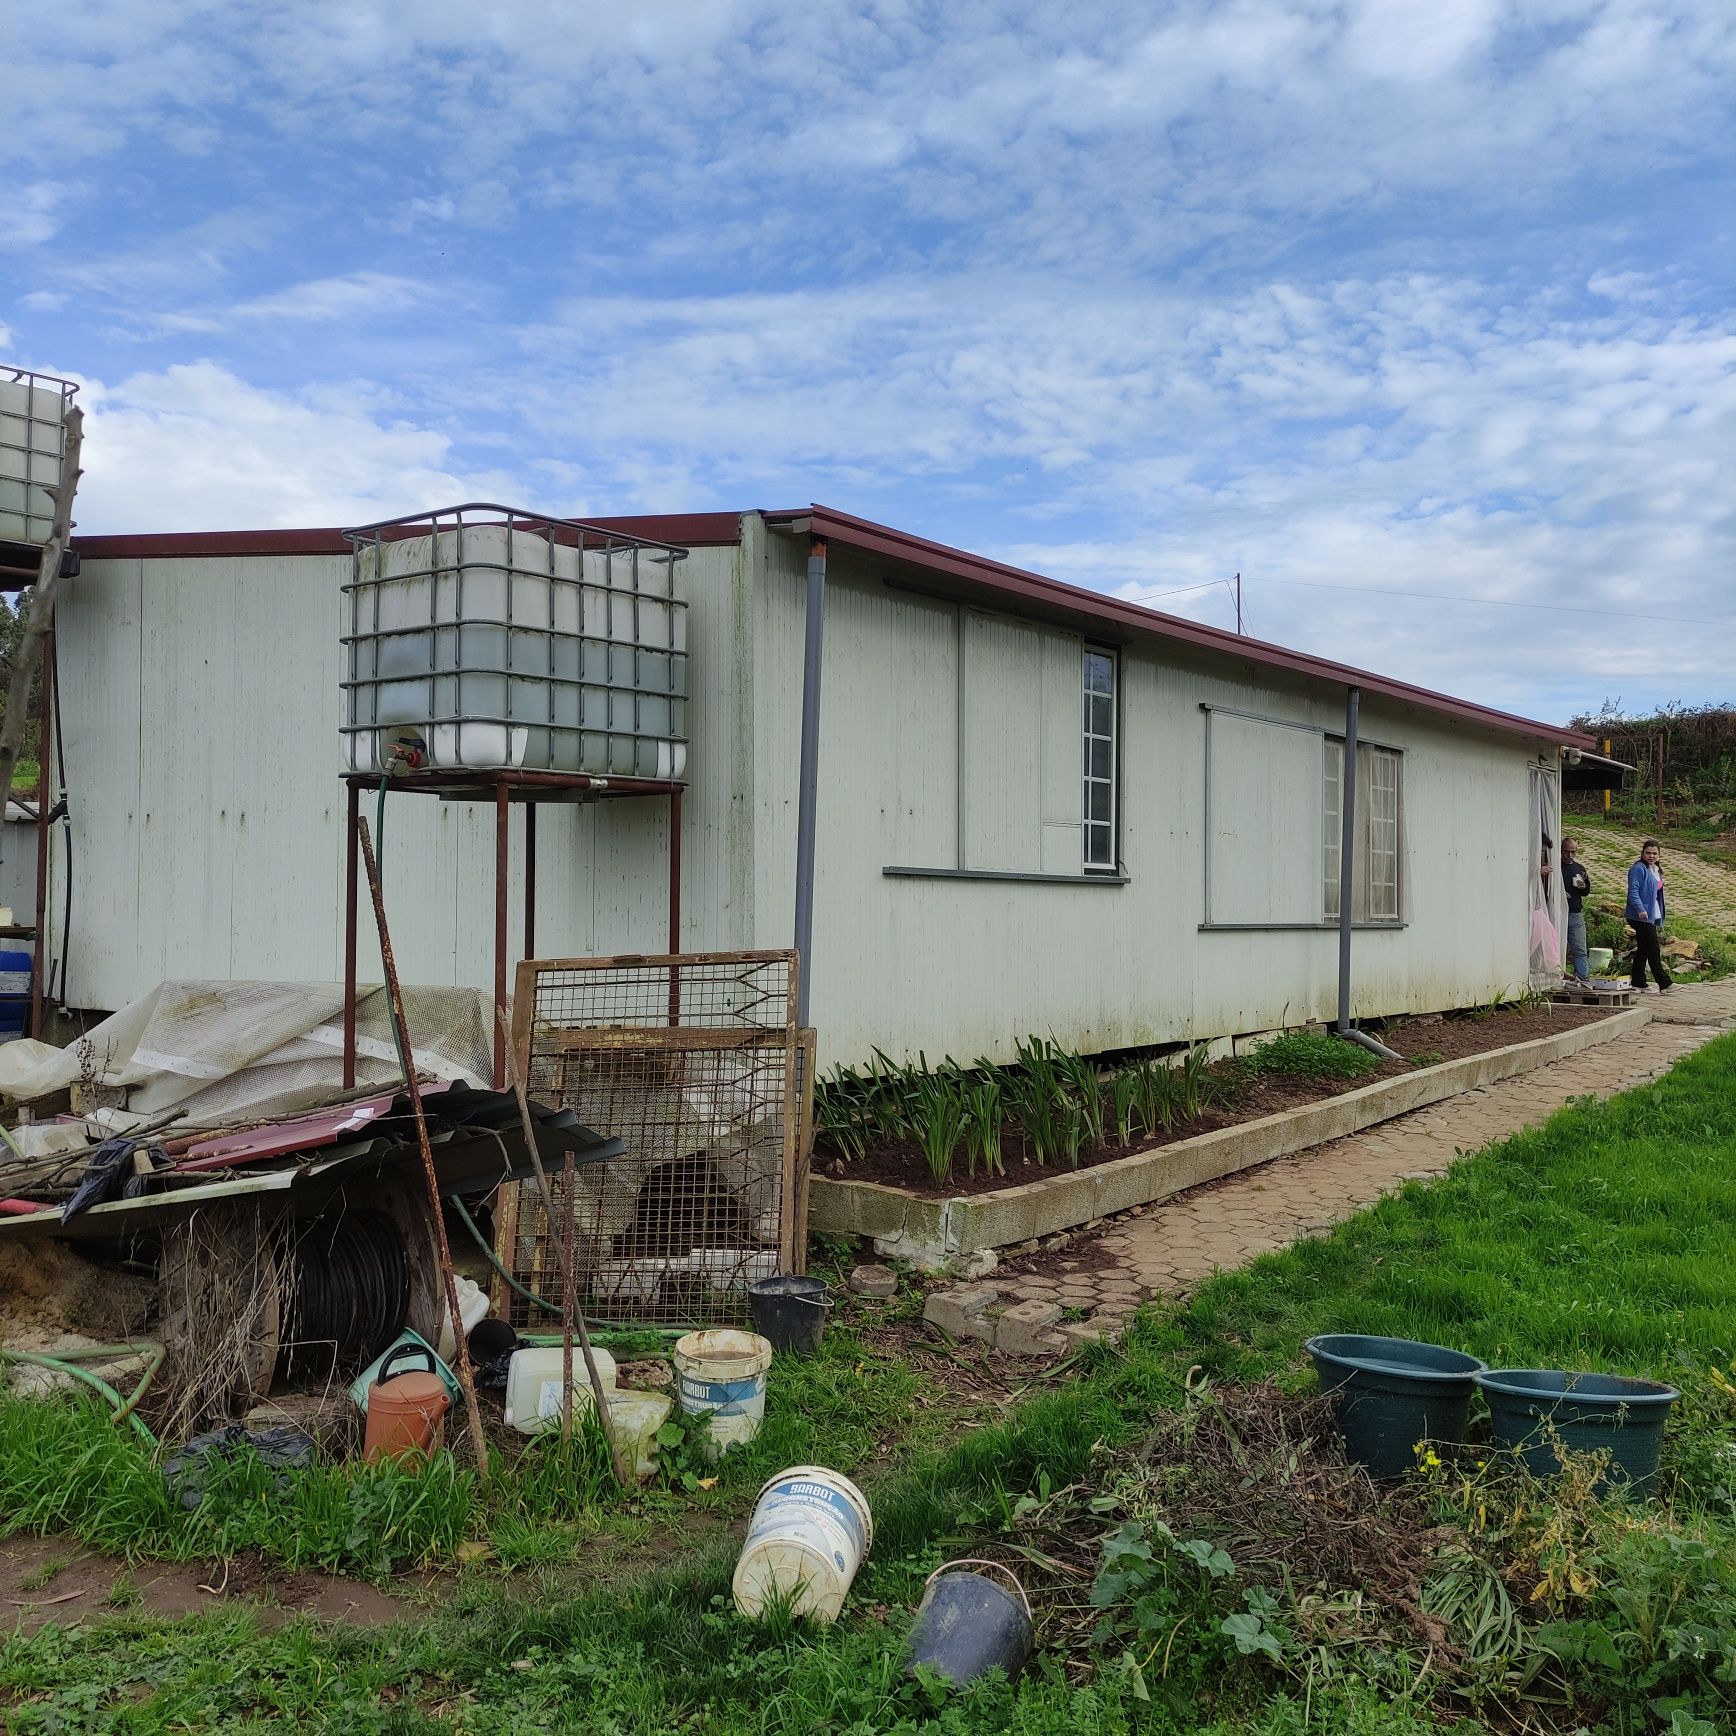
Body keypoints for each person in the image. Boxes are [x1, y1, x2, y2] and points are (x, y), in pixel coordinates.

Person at [1625, 839, 1672, 993]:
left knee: (1643, 949)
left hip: (1651, 915)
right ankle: (1665, 984)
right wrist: (1640, 908)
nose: (1651, 856)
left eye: (1654, 853)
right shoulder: (1638, 869)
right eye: (1648, 853)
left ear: (1659, 855)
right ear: (1642, 853)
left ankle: (1638, 982)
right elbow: (1633, 891)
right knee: (1653, 948)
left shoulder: (1656, 870)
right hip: (1640, 916)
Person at [1561, 837, 1592, 985]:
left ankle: (1583, 978)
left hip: (1575, 912)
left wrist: (1582, 887)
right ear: (1561, 851)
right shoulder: (1557, 865)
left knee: (1579, 947)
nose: (1570, 855)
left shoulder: (1579, 868)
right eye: (1567, 852)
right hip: (1558, 911)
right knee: (1556, 946)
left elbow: (1587, 890)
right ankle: (1557, 975)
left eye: (1573, 852)